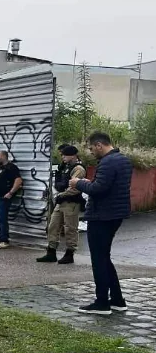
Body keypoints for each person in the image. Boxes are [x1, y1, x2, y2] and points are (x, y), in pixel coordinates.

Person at [70, 132, 133, 315]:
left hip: (102, 215)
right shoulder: (123, 160)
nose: (91, 152)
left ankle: (102, 303)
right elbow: (107, 185)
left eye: (91, 148)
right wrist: (92, 182)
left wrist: (79, 183)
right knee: (105, 257)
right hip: (116, 213)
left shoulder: (107, 162)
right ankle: (117, 300)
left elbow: (99, 189)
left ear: (99, 145)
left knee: (99, 259)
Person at [37, 146, 86, 264]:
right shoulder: (64, 167)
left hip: (71, 202)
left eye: (65, 155)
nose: (63, 157)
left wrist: (61, 194)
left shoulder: (78, 168)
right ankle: (51, 252)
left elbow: (75, 187)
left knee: (70, 228)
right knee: (53, 226)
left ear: (73, 155)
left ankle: (70, 253)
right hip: (61, 201)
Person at [0, 150, 23, 249]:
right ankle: (1, 238)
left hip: (4, 198)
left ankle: (5, 240)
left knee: (2, 218)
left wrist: (11, 193)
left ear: (4, 156)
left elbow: (18, 181)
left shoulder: (11, 167)